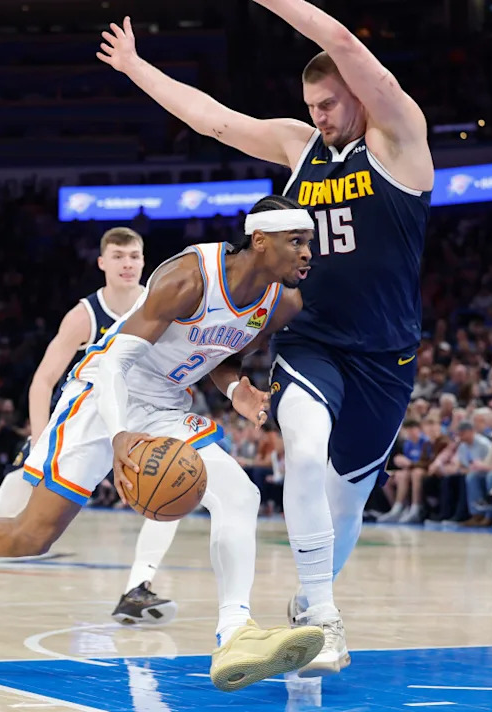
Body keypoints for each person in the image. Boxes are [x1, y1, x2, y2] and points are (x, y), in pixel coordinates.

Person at [0, 197, 326, 692]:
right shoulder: (190, 276)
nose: (308, 253)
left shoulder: (283, 303)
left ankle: (235, 633)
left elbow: (222, 352)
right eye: (296, 241)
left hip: (164, 404)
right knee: (32, 535)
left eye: (309, 242)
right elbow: (113, 365)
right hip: (102, 392)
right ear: (260, 241)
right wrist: (120, 433)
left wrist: (236, 390)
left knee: (240, 495)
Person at [98, 0, 432, 674]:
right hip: (310, 342)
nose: (320, 116)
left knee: (346, 507)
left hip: (386, 355)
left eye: (330, 103)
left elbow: (341, 36)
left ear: (357, 94)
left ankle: (311, 601)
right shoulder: (297, 145)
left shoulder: (398, 139)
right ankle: (326, 618)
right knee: (303, 452)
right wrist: (135, 67)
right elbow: (211, 119)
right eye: (312, 106)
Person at [0, 228, 181, 627]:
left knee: (172, 489)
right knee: (6, 506)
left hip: (133, 425)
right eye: (118, 256)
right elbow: (43, 381)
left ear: (144, 261)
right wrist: (41, 438)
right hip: (78, 426)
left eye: (133, 256)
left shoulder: (161, 304)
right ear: (102, 262)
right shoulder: (85, 315)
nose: (127, 264)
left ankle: (137, 589)